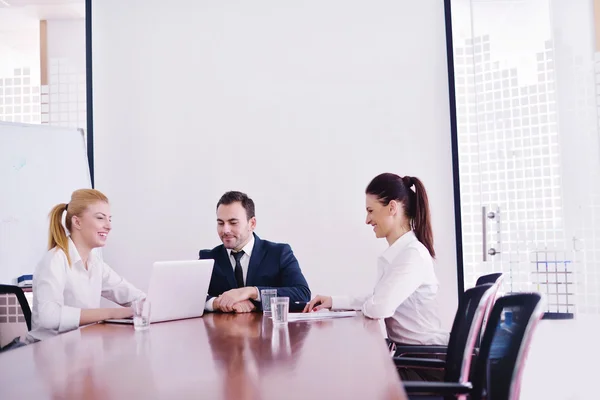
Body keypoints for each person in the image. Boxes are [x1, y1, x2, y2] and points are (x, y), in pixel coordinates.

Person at [304, 173, 449, 348]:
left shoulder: (413, 255)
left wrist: (370, 304)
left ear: (392, 208)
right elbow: (376, 300)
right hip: (409, 353)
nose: (367, 220)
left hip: (423, 360)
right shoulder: (402, 253)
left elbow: (379, 307)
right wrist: (334, 301)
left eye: (370, 211)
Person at [29, 189, 145, 341]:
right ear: (77, 222)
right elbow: (48, 317)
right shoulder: (55, 260)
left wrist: (149, 304)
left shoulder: (96, 264)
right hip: (49, 351)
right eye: (100, 218)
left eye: (110, 219)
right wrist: (112, 313)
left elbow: (132, 295)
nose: (109, 226)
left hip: (81, 347)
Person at [201, 191, 310, 313]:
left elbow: (302, 294)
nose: (225, 230)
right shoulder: (208, 258)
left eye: (233, 223)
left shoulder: (279, 253)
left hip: (267, 330)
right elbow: (189, 298)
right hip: (222, 330)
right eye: (220, 223)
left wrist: (251, 292)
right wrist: (217, 303)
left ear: (252, 224)